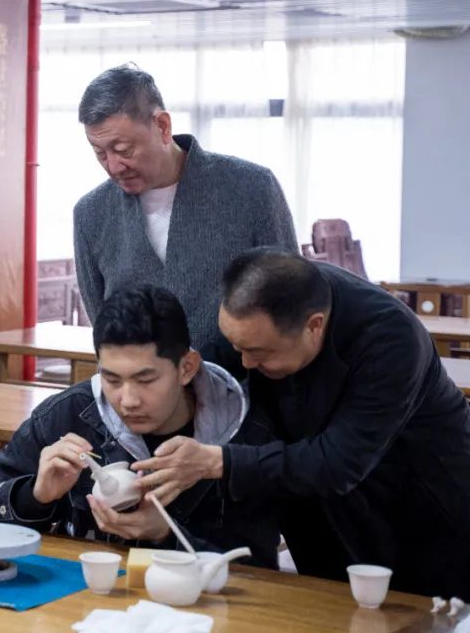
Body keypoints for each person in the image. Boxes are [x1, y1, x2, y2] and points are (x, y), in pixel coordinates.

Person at [131, 250, 470, 597]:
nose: (244, 362)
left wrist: (217, 461)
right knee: (327, 610)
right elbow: (213, 375)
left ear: (314, 326)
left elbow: (339, 462)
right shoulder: (264, 304)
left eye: (258, 353)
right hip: (317, 503)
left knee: (425, 619)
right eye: (236, 345)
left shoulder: (391, 338)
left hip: (419, 502)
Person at [0, 286, 277, 565]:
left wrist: (165, 535)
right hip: (77, 604)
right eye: (112, 379)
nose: (128, 400)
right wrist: (34, 495)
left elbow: (260, 569)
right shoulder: (70, 414)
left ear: (187, 368)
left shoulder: (242, 433)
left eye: (145, 380)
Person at [72, 64, 298, 359]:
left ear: (163, 126)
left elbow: (290, 299)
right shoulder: (91, 214)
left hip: (245, 381)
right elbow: (103, 327)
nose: (114, 166)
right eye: (100, 153)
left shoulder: (251, 187)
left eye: (124, 149)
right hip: (140, 386)